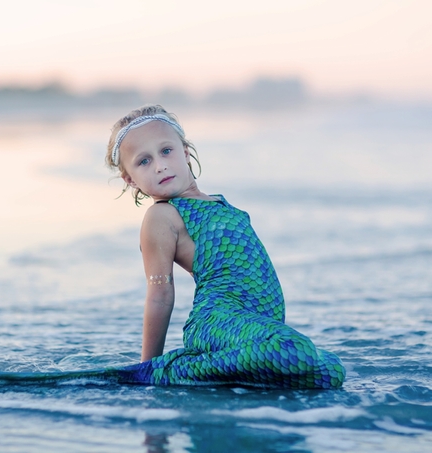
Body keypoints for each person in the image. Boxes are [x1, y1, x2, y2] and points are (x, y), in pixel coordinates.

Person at [103, 105, 345, 389]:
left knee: (331, 371)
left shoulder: (219, 203)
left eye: (166, 151)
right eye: (144, 161)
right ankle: (174, 370)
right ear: (130, 179)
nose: (159, 165)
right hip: (216, 322)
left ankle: (238, 373)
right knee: (297, 350)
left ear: (185, 151)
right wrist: (147, 367)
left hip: (251, 324)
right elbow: (159, 294)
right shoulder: (162, 215)